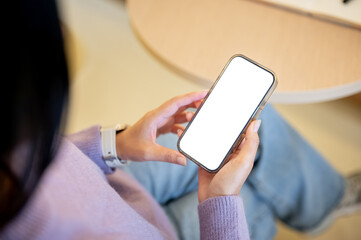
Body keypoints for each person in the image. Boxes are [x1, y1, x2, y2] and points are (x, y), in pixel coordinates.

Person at [1, 0, 360, 239]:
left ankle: (325, 201)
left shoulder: (17, 145)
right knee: (252, 202)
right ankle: (314, 205)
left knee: (253, 126)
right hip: (154, 231)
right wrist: (220, 205)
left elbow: (60, 157)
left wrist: (114, 145)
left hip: (120, 186)